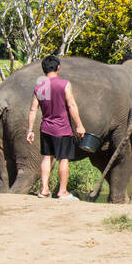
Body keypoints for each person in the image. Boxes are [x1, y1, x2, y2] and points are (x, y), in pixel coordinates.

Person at [26, 55, 87, 200]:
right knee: (63, 159)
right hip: (62, 129)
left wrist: (29, 130)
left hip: (45, 128)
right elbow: (71, 105)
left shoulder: (39, 86)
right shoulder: (64, 84)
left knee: (47, 157)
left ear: (44, 69)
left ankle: (44, 189)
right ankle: (62, 191)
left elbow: (33, 109)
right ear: (58, 67)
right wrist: (79, 125)